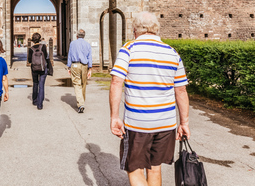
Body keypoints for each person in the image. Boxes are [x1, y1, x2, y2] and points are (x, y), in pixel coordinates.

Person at [109, 11, 190, 186]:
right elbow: (181, 90)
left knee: (135, 169)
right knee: (155, 168)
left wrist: (114, 117)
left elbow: (116, 82)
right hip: (166, 124)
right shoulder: (172, 52)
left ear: (134, 30)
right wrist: (184, 123)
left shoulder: (129, 49)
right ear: (157, 29)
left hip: (138, 123)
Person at [67, 29, 92, 113]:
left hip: (75, 65)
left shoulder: (72, 44)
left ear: (77, 36)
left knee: (77, 84)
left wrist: (69, 67)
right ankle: (81, 102)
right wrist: (90, 69)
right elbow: (90, 57)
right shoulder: (87, 44)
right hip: (84, 66)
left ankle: (80, 104)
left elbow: (70, 55)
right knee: (83, 84)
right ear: (84, 36)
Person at [27, 32, 51, 110]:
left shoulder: (31, 49)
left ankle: (34, 100)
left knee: (35, 83)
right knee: (41, 85)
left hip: (34, 68)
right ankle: (40, 105)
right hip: (43, 68)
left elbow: (29, 60)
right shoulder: (43, 46)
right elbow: (46, 56)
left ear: (32, 40)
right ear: (40, 39)